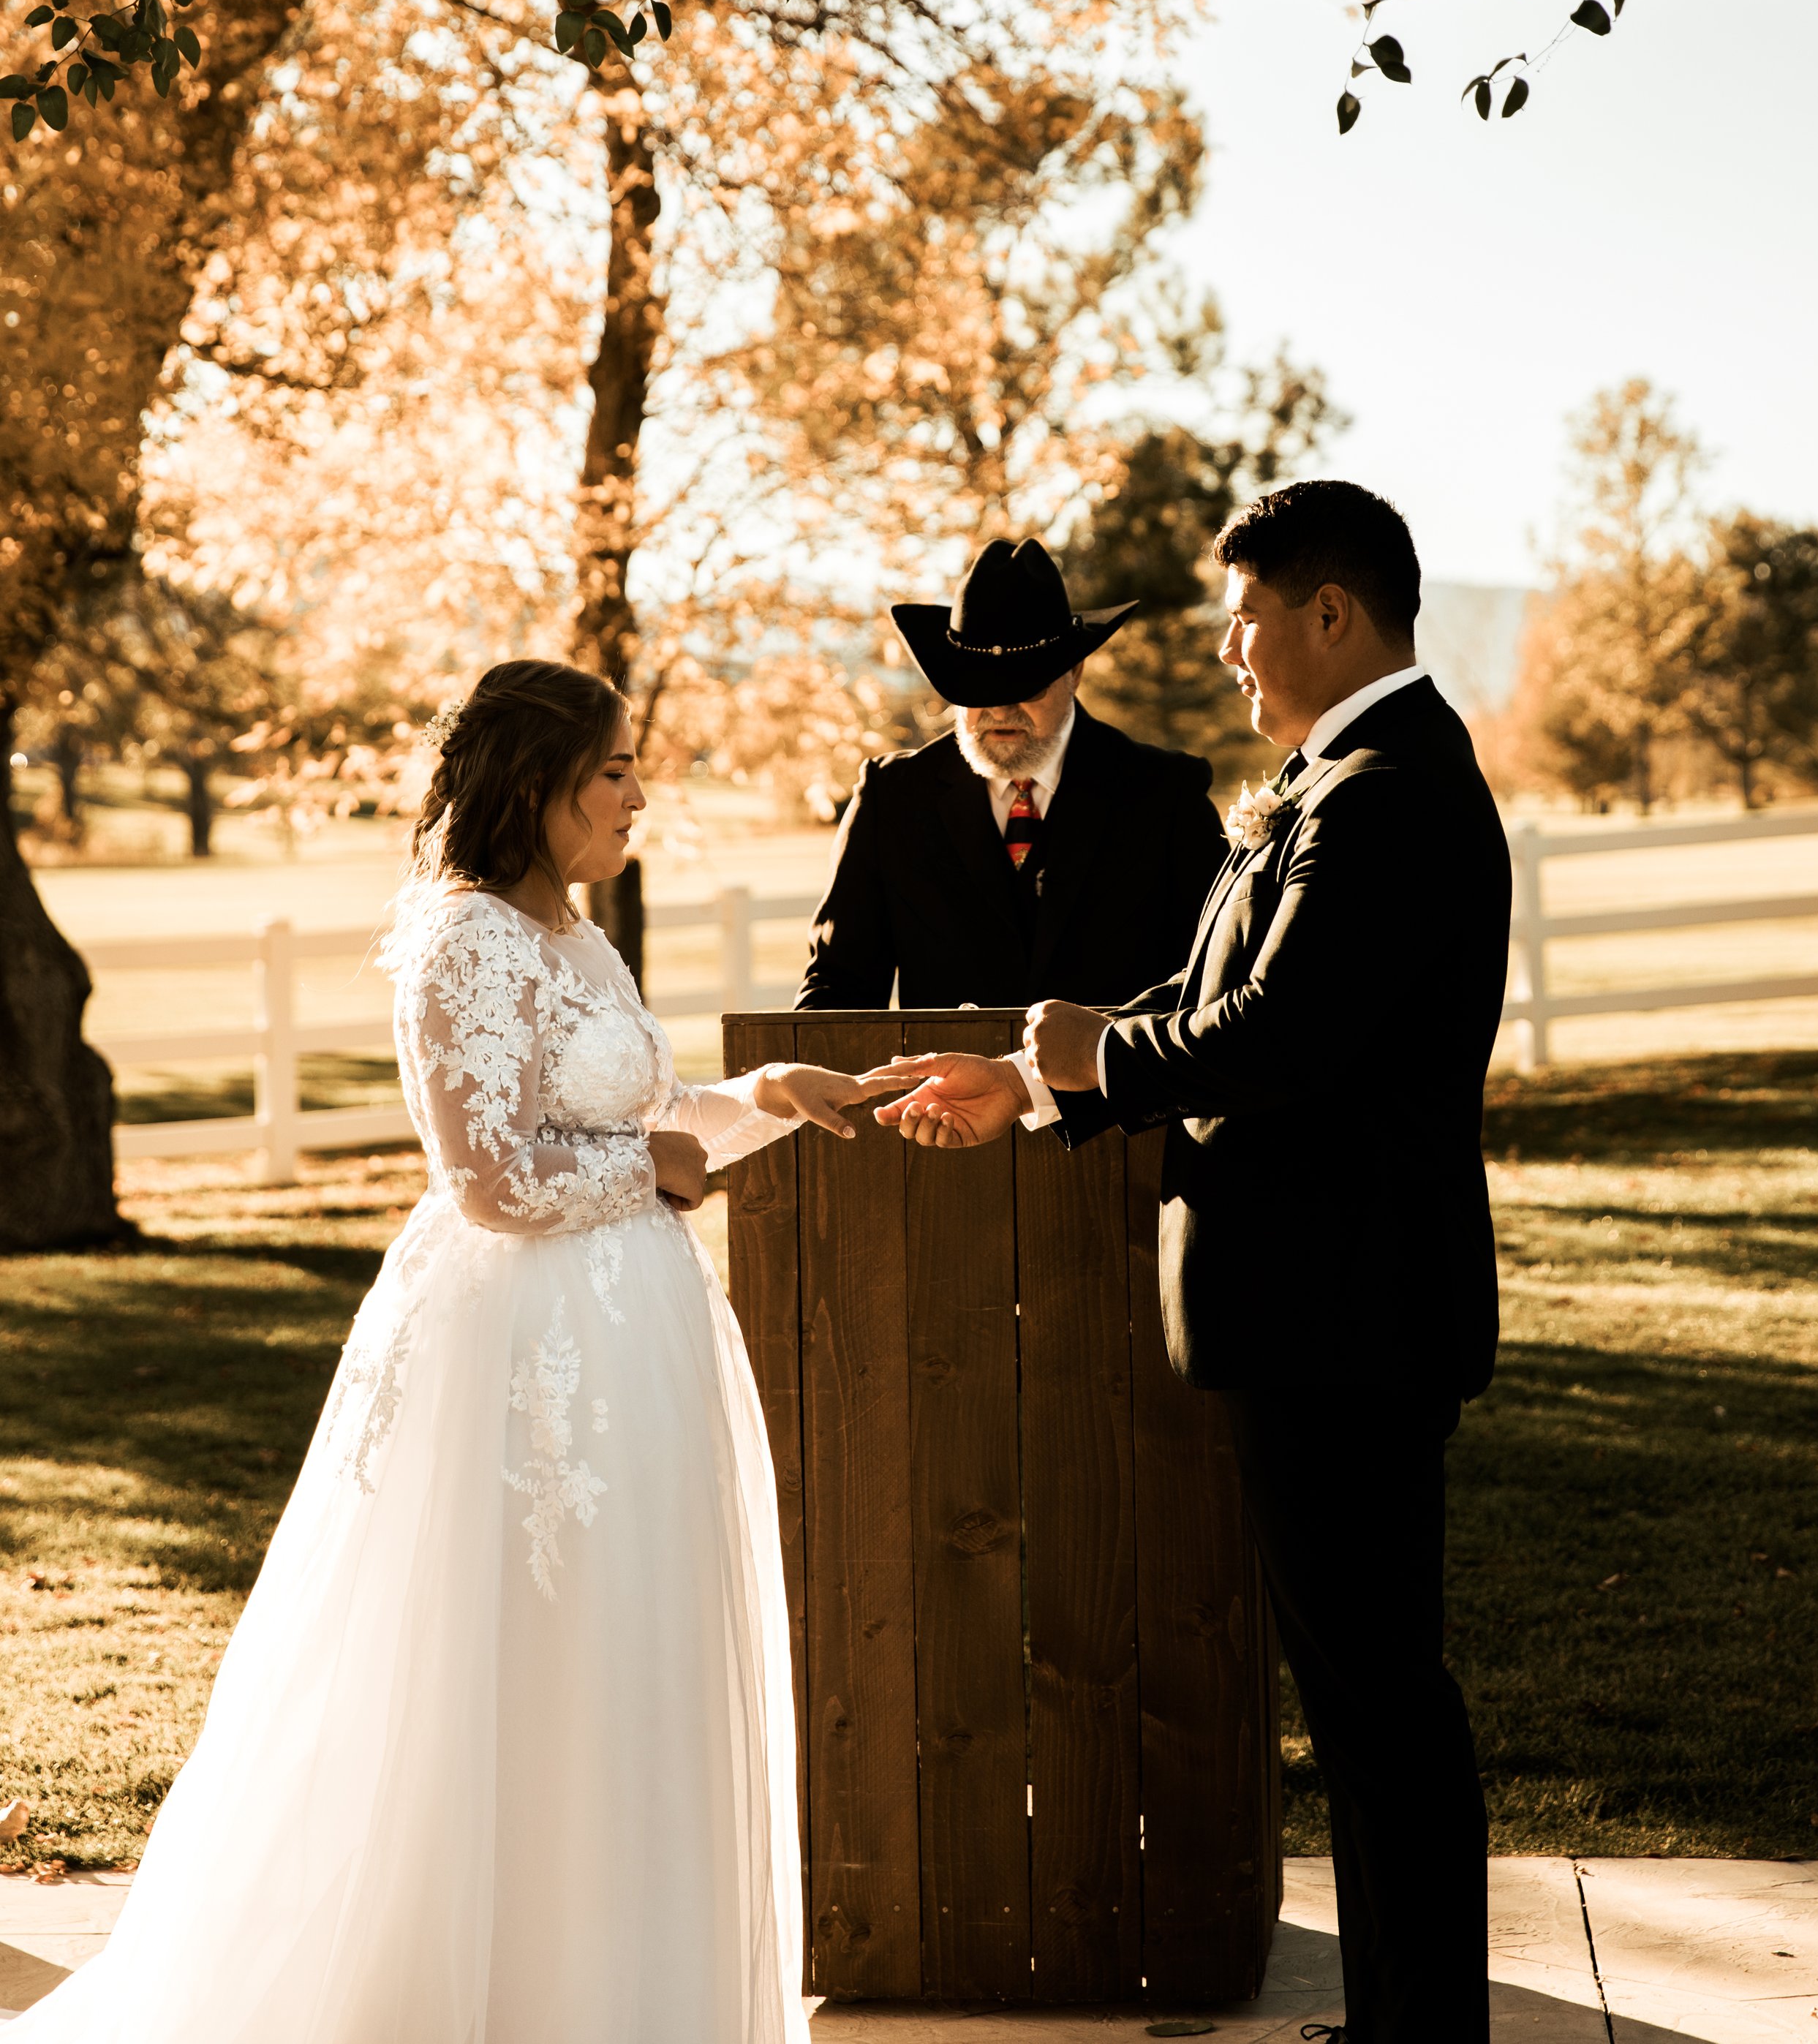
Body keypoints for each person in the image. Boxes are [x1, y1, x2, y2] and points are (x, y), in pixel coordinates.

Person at [18, 659, 901, 2044]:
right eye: (613, 770)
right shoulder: (462, 939)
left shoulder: (581, 939)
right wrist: (659, 1162)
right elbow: (488, 1176)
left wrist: (770, 1099)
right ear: (534, 786)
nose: (637, 792)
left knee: (630, 1673)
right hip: (522, 1358)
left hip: (639, 1352)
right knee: (518, 1678)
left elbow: (651, 1127)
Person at [872, 481, 1512, 2044]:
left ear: (1328, 614)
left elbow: (1279, 1037)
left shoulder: (1388, 791)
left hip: (1344, 1314)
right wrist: (1033, 1080)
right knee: (1360, 1704)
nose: (1227, 647)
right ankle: (1393, 2022)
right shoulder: (1323, 781)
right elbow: (1205, 988)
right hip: (1310, 1313)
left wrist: (1095, 1054)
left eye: (1241, 614)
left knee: (1379, 1708)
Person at [798, 536, 1226, 1012]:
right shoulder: (892, 797)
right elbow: (838, 986)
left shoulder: (1165, 795)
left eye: (1026, 684)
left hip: (1114, 1085)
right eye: (977, 687)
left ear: (1075, 673)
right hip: (942, 1088)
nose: (1000, 707)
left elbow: (1209, 983)